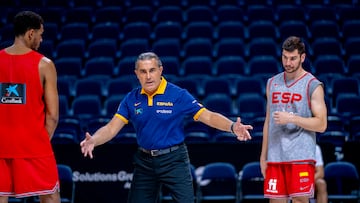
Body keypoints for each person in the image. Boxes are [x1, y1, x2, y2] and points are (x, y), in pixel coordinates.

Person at [80, 52, 253, 203]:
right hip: (145, 162)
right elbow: (111, 128)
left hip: (174, 160)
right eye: (143, 72)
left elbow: (207, 115)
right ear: (136, 74)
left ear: (160, 70)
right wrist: (94, 140)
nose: (148, 76)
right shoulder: (131, 99)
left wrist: (231, 126)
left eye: (152, 70)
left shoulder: (177, 94)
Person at [0, 11, 60, 203]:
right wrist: (40, 141)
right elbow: (52, 116)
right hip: (33, 143)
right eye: (41, 35)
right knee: (50, 196)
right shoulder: (44, 64)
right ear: (31, 33)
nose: (41, 40)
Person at [259, 36, 327, 203]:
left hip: (301, 155)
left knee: (299, 201)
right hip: (275, 155)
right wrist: (263, 156)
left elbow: (321, 124)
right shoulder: (272, 83)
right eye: (285, 57)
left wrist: (293, 118)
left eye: (293, 58)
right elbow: (268, 122)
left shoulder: (313, 85)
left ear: (302, 58)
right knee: (275, 201)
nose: (288, 63)